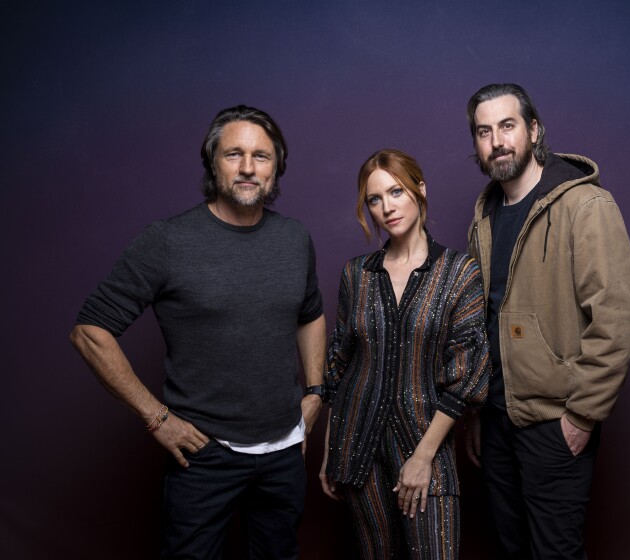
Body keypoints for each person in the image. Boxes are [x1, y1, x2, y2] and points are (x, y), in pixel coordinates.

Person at [70, 105, 326, 559]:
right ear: (213, 162)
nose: (248, 168)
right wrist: (156, 417)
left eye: (261, 156)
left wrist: (315, 391)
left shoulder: (294, 238)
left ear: (276, 167)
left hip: (285, 450)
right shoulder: (168, 241)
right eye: (234, 154)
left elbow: (310, 314)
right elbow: (90, 331)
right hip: (204, 454)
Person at [463, 83, 630, 559]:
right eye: (484, 132)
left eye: (507, 126)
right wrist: (480, 411)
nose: (497, 141)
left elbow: (622, 318)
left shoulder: (585, 206)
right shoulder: (484, 217)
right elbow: (484, 321)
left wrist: (581, 415)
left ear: (534, 130)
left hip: (554, 421)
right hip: (498, 420)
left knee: (555, 554)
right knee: (512, 549)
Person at [319, 149, 490, 559]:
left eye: (396, 191)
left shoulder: (457, 272)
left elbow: (468, 374)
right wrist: (330, 451)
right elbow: (339, 365)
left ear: (420, 190)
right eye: (375, 199)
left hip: (424, 442)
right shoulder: (356, 274)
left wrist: (423, 457)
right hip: (357, 449)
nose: (386, 207)